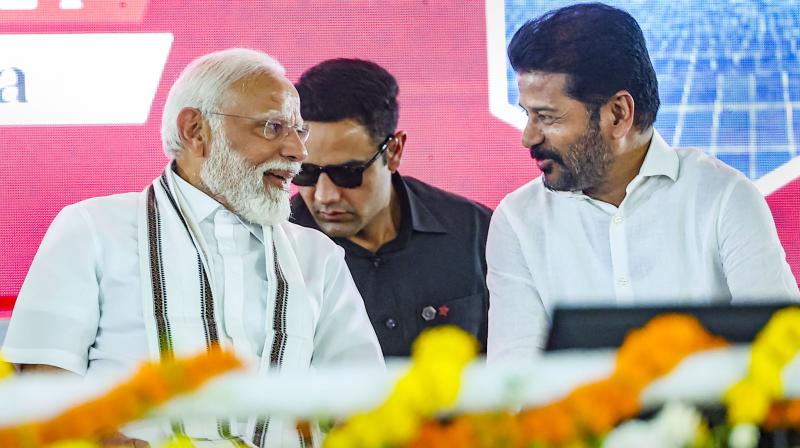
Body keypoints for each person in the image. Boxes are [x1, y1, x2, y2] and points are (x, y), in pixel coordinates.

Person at [2, 48, 383, 447]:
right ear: (196, 130)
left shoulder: (317, 256)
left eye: (298, 131)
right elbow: (41, 382)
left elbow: (360, 400)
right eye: (272, 127)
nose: (297, 151)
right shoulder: (94, 228)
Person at [486, 3, 800, 363]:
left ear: (618, 113)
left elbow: (784, 362)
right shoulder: (517, 221)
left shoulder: (724, 199)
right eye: (527, 114)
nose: (529, 137)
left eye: (547, 117)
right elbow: (513, 389)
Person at [290, 59, 491, 357]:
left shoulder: (476, 232)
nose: (325, 195)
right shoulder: (274, 251)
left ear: (394, 151)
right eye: (303, 172)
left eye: (347, 172)